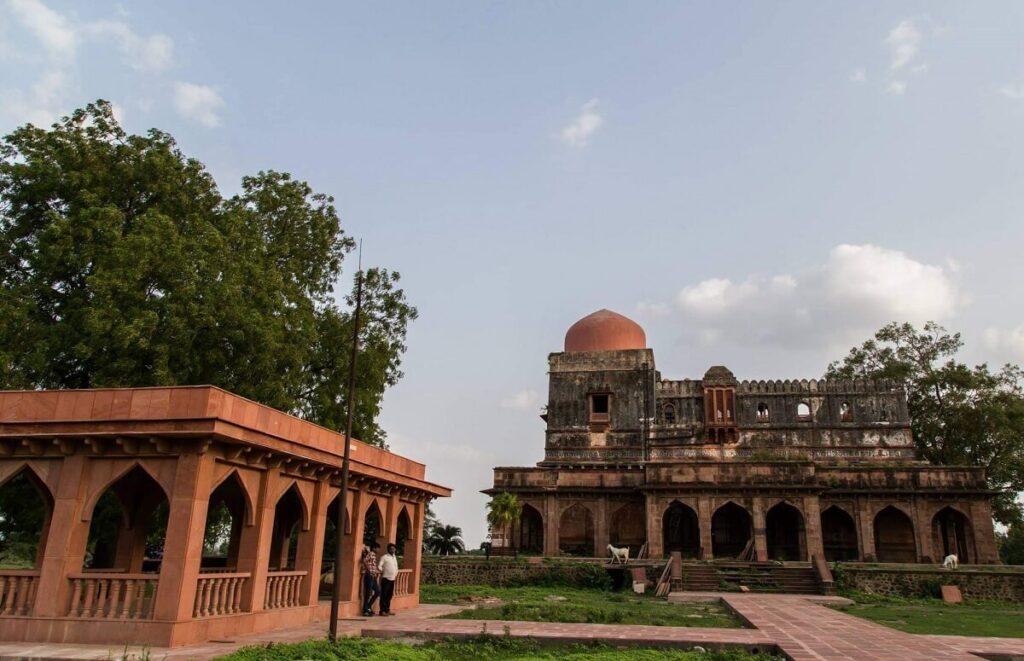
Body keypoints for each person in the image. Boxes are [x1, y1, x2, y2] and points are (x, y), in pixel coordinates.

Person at [377, 543, 399, 616]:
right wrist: (383, 571)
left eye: (393, 549)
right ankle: (382, 610)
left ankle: (387, 609)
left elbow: (396, 567)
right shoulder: (384, 557)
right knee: (384, 595)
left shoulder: (394, 557)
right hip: (386, 578)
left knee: (389, 595)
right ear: (388, 549)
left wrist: (395, 573)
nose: (392, 550)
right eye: (391, 549)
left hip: (392, 579)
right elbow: (379, 566)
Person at [361, 543, 381, 616]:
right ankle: (365, 610)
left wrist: (376, 571)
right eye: (378, 548)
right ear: (374, 548)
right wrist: (368, 570)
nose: (378, 550)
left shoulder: (374, 555)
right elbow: (364, 561)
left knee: (378, 591)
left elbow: (372, 565)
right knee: (368, 592)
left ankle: (368, 606)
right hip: (369, 575)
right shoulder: (371, 554)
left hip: (373, 576)